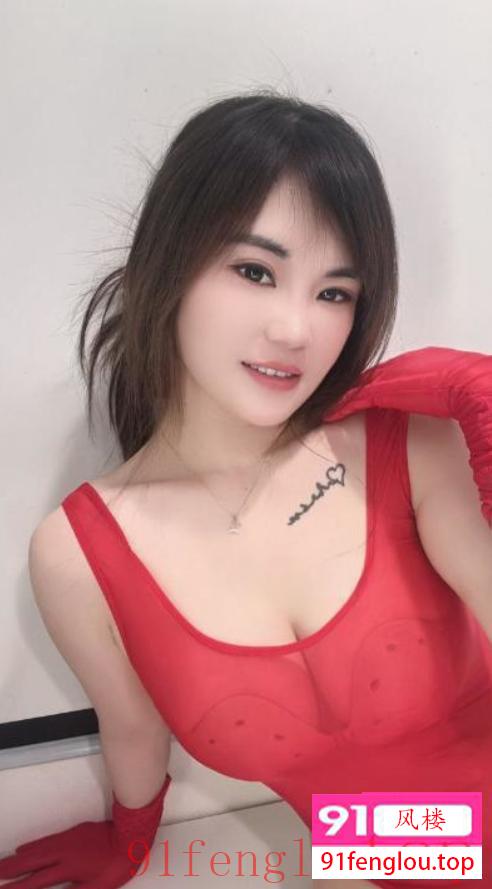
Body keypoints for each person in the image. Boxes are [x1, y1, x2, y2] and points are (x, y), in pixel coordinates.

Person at [1, 89, 491, 889]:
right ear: (168, 263)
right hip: (388, 854)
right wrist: (130, 843)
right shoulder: (77, 555)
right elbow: (134, 728)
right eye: (255, 271)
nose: (295, 329)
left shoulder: (408, 445)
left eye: (335, 291)